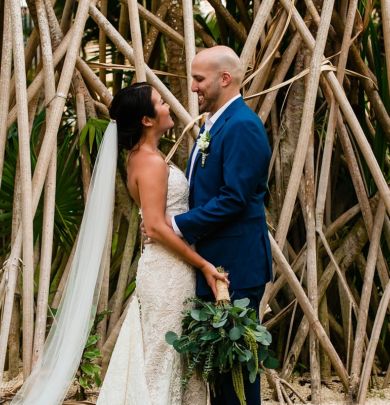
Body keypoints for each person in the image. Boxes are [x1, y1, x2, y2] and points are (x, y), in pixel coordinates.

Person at [96, 82, 227, 405]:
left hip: (169, 267)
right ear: (146, 119)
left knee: (171, 353)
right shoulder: (150, 162)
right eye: (160, 102)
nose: (168, 105)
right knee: (164, 356)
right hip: (167, 271)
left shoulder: (144, 157)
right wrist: (204, 265)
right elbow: (154, 227)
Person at [167, 46, 273, 405]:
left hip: (236, 264)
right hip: (214, 262)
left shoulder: (243, 126)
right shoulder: (215, 124)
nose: (193, 87)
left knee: (238, 369)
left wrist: (177, 225)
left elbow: (234, 198)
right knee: (220, 369)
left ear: (224, 79)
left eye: (199, 79)